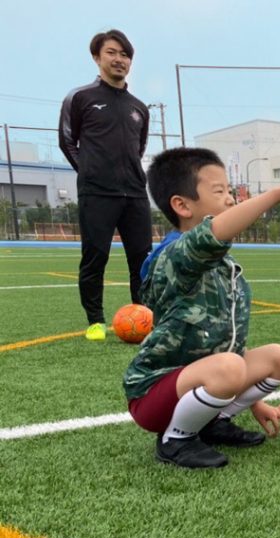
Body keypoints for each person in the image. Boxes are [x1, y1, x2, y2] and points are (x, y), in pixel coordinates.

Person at [123, 147, 280, 469]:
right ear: (181, 205)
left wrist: (255, 403)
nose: (231, 199)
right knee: (230, 366)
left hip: (208, 376)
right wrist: (277, 194)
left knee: (278, 358)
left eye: (230, 191)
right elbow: (209, 237)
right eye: (219, 191)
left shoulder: (222, 265)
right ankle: (175, 439)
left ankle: (214, 422)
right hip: (154, 394)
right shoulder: (174, 255)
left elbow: (224, 344)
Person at [59, 29, 153, 341]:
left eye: (125, 54)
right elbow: (67, 141)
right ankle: (96, 321)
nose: (119, 59)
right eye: (112, 53)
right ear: (97, 57)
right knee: (95, 255)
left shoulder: (139, 107)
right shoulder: (81, 97)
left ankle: (143, 315)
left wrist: (127, 175)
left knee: (142, 259)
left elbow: (138, 149)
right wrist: (88, 172)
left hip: (135, 193)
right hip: (96, 192)